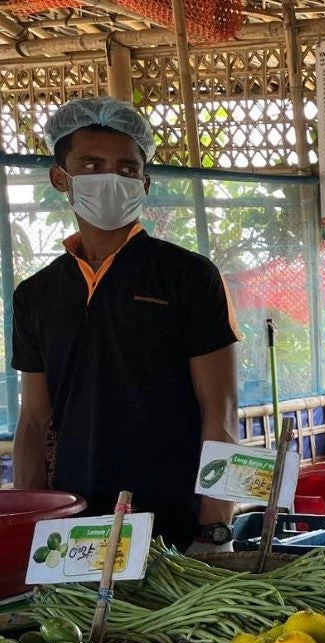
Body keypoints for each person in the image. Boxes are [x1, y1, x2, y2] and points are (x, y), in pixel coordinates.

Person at [12, 97, 239, 551]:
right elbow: (35, 421)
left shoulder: (189, 277)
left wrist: (214, 527)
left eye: (127, 168)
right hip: (76, 530)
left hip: (173, 527)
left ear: (145, 182)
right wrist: (30, 520)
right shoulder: (36, 294)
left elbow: (221, 413)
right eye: (92, 165)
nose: (111, 179)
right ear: (62, 178)